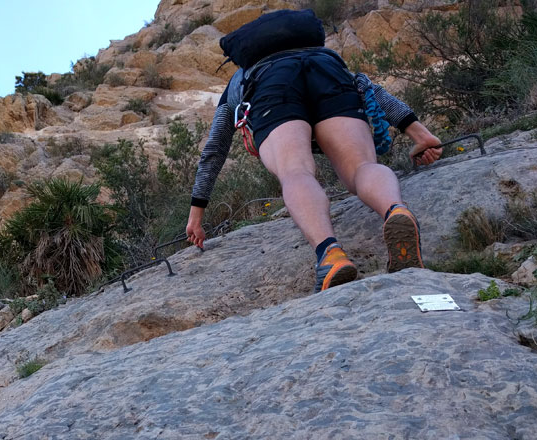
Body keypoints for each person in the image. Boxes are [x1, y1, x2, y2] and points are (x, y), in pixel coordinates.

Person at [185, 43, 443, 293]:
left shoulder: (242, 76)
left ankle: (331, 254)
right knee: (361, 167)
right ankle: (395, 210)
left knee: (295, 171)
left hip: (272, 90)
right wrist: (420, 134)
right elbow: (370, 89)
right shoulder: (319, 54)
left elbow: (215, 148)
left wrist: (196, 216)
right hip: (328, 75)